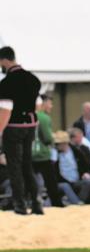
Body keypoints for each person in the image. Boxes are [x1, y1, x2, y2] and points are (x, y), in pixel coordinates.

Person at [0, 46, 43, 215]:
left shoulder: (6, 83)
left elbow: (6, 110)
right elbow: (38, 105)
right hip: (30, 126)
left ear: (5, 60)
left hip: (14, 127)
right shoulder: (33, 79)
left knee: (14, 167)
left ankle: (20, 205)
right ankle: (37, 202)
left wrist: (0, 132)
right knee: (27, 165)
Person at [30, 94, 64, 207]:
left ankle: (28, 203)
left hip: (29, 154)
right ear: (42, 104)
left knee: (29, 181)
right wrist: (54, 138)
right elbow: (47, 138)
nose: (51, 106)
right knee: (50, 182)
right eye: (50, 103)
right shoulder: (44, 118)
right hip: (42, 155)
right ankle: (57, 203)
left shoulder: (26, 115)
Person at [53, 130, 90, 205]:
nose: (57, 146)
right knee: (65, 186)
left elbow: (85, 165)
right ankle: (77, 203)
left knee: (89, 181)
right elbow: (53, 171)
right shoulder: (54, 153)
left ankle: (80, 201)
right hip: (62, 181)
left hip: (76, 179)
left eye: (59, 144)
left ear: (65, 143)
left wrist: (85, 173)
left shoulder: (76, 151)